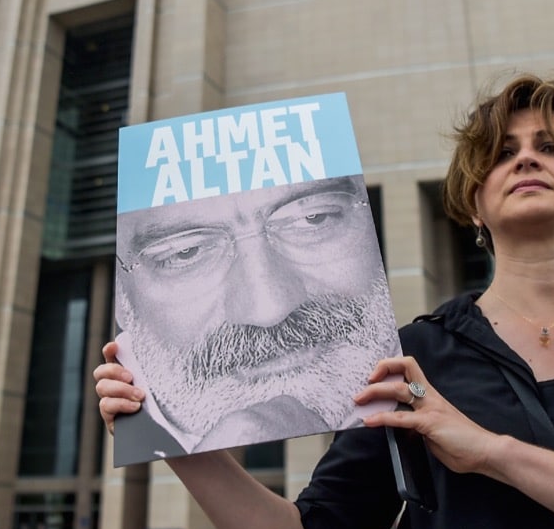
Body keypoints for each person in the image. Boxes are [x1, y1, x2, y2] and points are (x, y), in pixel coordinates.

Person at [96, 73, 554, 529]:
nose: (525, 158)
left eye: (551, 147)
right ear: (474, 205)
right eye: (503, 154)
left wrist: (491, 451)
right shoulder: (409, 356)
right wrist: (175, 441)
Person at [110, 173, 400, 463]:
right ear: (122, 299)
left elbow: (419, 387)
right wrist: (156, 442)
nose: (269, 311)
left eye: (313, 218)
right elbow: (319, 510)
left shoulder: (422, 347)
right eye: (186, 253)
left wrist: (422, 394)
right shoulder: (133, 411)